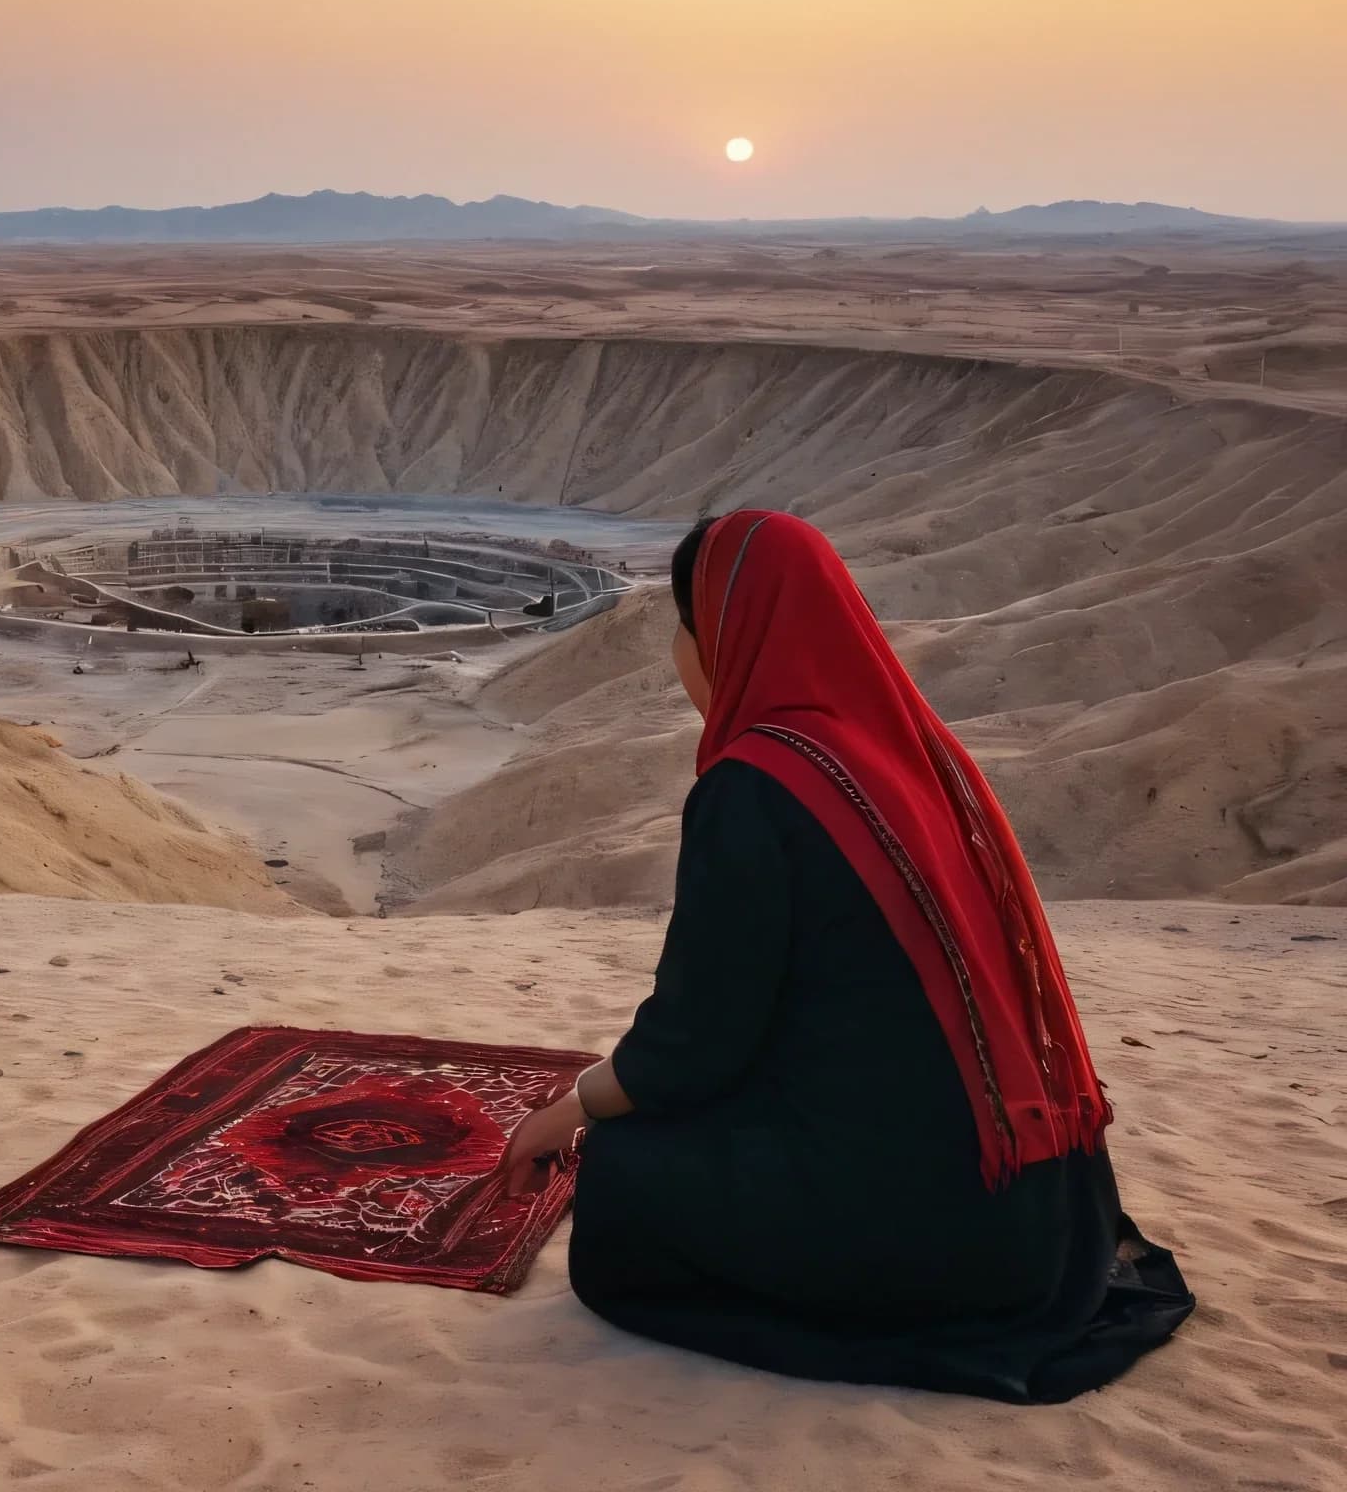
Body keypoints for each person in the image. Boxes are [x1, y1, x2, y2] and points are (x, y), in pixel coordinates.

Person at [495, 509, 1192, 1401]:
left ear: (722, 634)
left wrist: (565, 1115)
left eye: (684, 626)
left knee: (626, 1181)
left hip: (929, 1236)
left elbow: (694, 1045)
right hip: (1046, 1215)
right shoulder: (914, 754)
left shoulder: (754, 787)